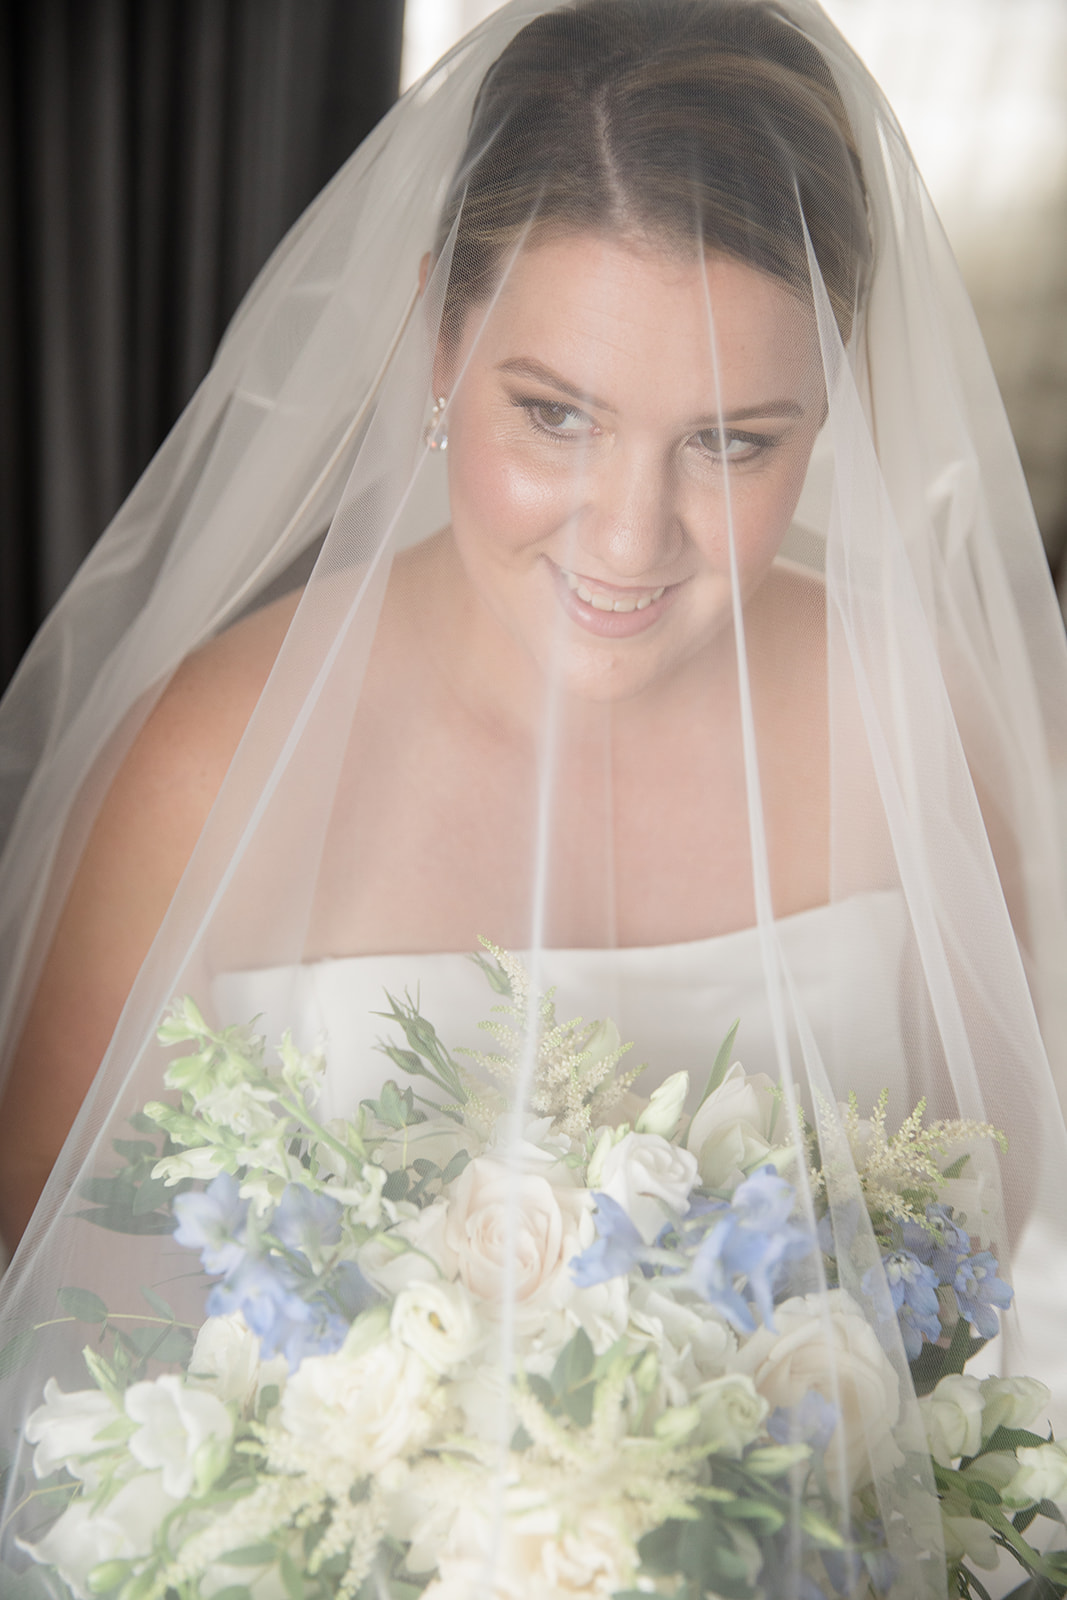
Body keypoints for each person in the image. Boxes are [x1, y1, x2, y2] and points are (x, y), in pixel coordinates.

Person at [1, 1, 1066, 1595]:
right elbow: (59, 1376)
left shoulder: (924, 729)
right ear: (439, 335)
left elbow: (985, 1314)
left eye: (731, 440)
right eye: (555, 415)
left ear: (833, 397)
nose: (628, 539)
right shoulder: (212, 764)